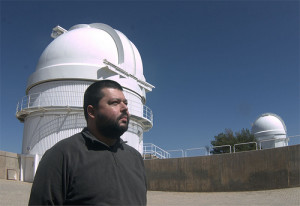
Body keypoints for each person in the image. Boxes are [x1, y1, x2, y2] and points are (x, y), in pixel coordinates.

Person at [29, 80, 147, 205]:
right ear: (92, 112)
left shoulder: (135, 158)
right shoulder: (62, 155)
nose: (125, 108)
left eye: (125, 103)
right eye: (114, 103)